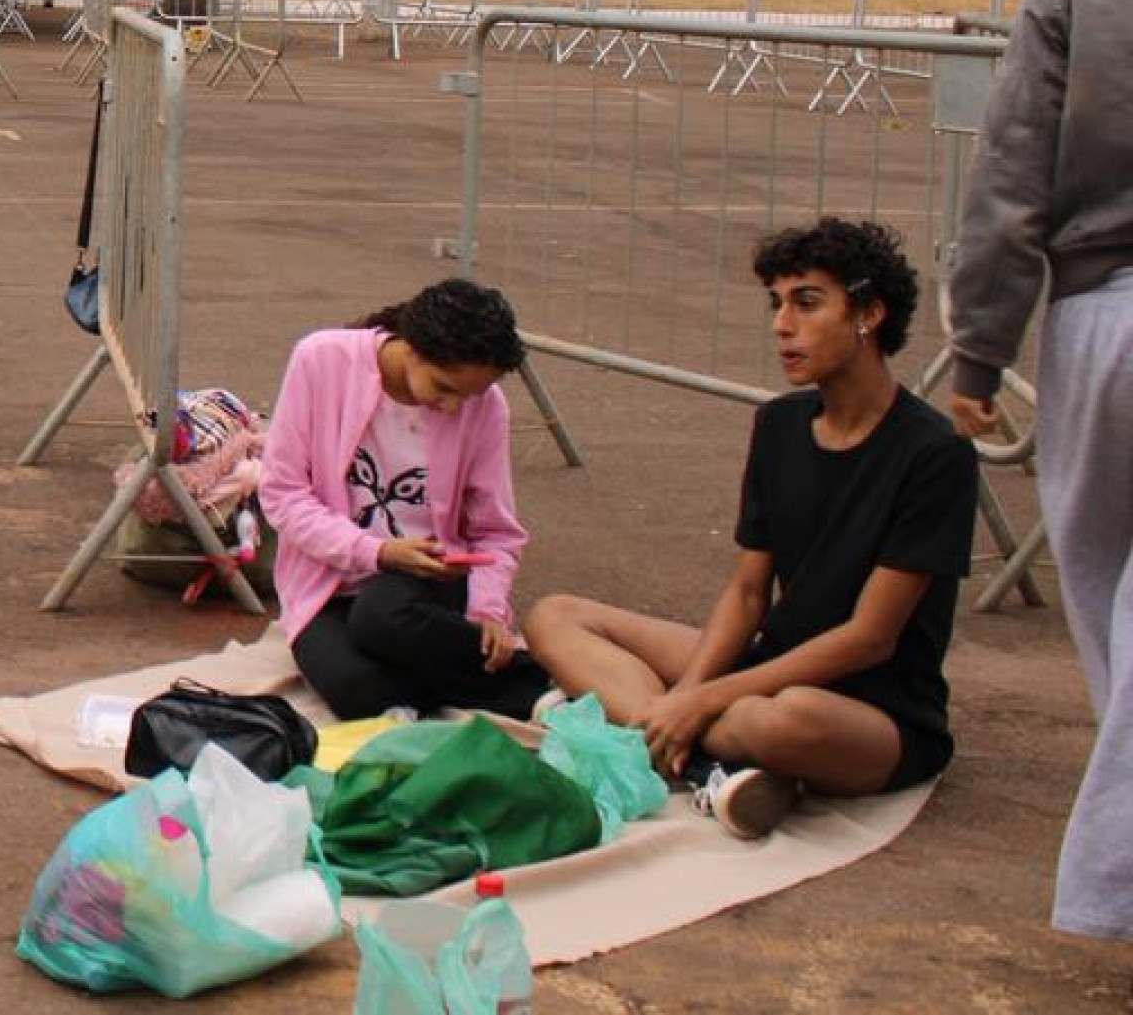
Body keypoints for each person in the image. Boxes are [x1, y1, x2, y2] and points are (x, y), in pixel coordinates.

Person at [525, 220, 976, 840]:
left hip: (873, 707)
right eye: (777, 304)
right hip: (769, 662)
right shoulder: (779, 424)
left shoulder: (935, 453)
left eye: (807, 303)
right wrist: (687, 694)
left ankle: (665, 736)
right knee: (555, 616)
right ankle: (702, 756)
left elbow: (870, 639)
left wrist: (704, 700)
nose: (782, 325)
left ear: (869, 314)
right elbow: (747, 593)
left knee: (782, 720)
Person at [945, 0, 1133, 943]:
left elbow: (1012, 179)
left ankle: (1113, 881)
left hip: (1108, 309)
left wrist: (979, 348)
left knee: (1104, 586)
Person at [258, 278, 550, 724]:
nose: (453, 407)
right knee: (355, 689)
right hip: (326, 583)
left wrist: (487, 610)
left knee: (380, 617)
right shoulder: (321, 359)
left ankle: (537, 685)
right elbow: (283, 494)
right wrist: (377, 552)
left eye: (468, 395)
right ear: (411, 347)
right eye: (443, 387)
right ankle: (503, 683)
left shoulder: (486, 406)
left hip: (425, 583)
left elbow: (496, 532)